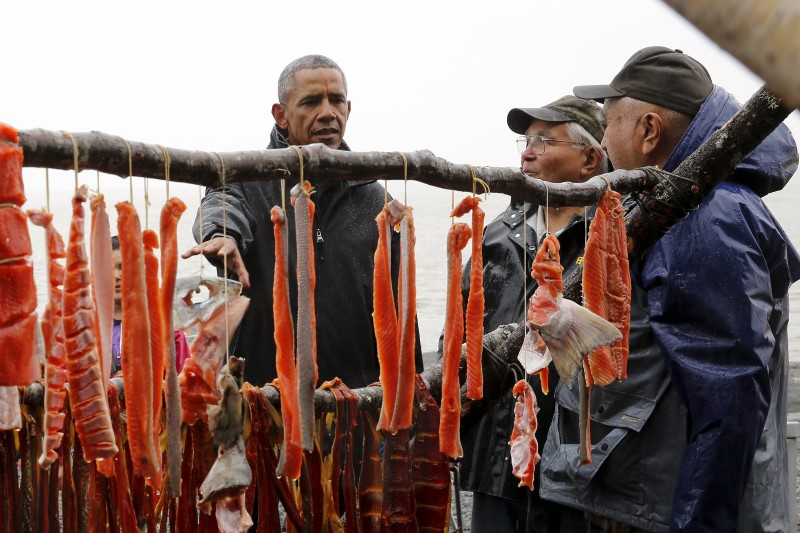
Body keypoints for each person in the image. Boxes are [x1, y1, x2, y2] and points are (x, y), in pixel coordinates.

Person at [540, 46, 800, 532]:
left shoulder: (701, 218)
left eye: (609, 123)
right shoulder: (675, 206)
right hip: (647, 494)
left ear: (649, 131)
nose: (602, 140)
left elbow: (728, 401)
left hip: (660, 510)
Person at [182, 54, 423, 390]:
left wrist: (412, 398)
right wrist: (223, 234)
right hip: (265, 400)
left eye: (336, 100)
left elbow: (401, 307)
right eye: (311, 102)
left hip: (356, 402)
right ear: (281, 115)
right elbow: (222, 201)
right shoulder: (247, 181)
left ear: (348, 109)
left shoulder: (374, 199)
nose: (328, 112)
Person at [458, 95, 610, 532]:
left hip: (579, 463)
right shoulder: (499, 235)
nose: (527, 151)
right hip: (496, 456)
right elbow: (462, 326)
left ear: (589, 158)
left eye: (545, 140)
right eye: (527, 140)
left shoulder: (614, 235)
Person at [110, 235, 191, 376]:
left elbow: (183, 383)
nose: (115, 275)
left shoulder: (169, 331)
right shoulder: (84, 331)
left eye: (122, 267)